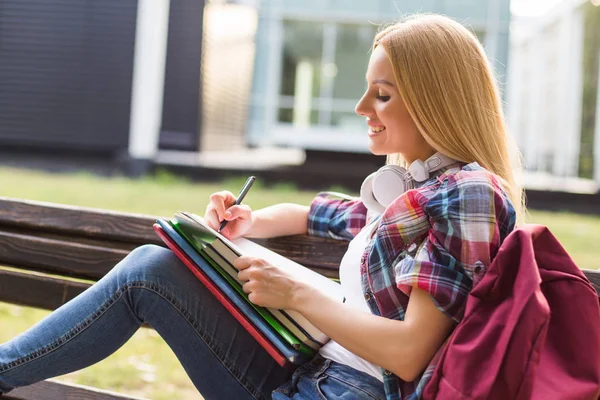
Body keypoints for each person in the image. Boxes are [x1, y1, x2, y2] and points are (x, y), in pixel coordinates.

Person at [0, 13, 523, 400]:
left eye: (382, 95)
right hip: (309, 373)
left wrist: (295, 293)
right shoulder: (412, 190)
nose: (363, 107)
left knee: (146, 272)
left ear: (435, 100)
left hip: (347, 391)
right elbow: (317, 214)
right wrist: (251, 220)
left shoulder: (467, 195)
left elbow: (411, 353)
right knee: (153, 267)